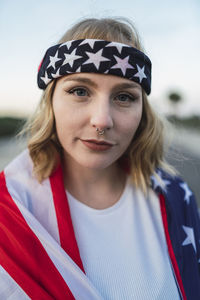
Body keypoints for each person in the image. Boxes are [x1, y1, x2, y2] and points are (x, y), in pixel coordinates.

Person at [0, 17, 200, 300]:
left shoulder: (177, 199)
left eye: (124, 97)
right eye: (79, 91)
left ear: (143, 110)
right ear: (51, 101)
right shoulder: (9, 211)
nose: (102, 120)